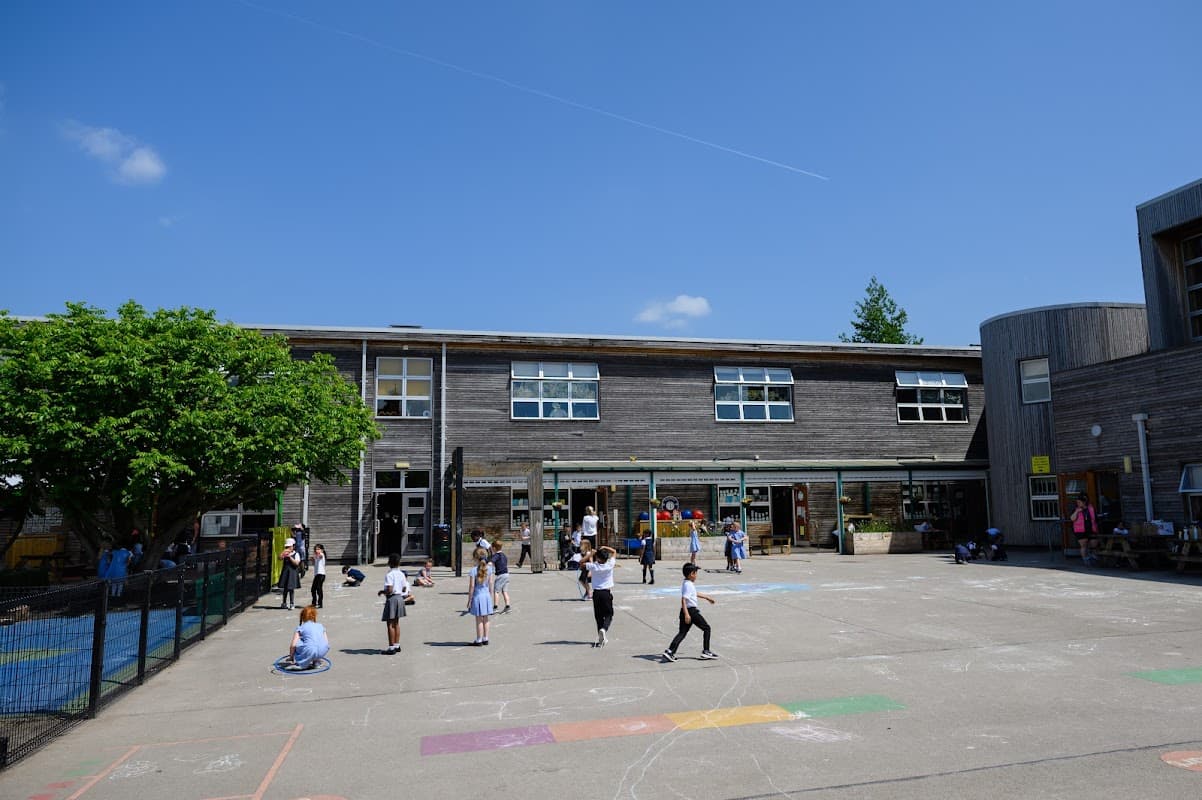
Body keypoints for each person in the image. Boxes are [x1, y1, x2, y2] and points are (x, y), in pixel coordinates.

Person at [662, 563, 718, 662]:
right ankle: (706, 651)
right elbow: (683, 599)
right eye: (695, 573)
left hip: (686, 611)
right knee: (707, 628)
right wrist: (687, 614)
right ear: (691, 574)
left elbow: (693, 593)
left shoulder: (687, 583)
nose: (696, 575)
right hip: (691, 611)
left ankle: (670, 651)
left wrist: (707, 597)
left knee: (682, 633)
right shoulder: (688, 585)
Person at [585, 545, 618, 647]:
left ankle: (601, 637)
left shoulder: (593, 566)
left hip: (596, 594)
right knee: (609, 614)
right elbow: (614, 551)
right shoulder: (609, 565)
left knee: (598, 616)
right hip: (606, 593)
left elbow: (581, 563)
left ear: (598, 558)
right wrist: (605, 547)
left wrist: (591, 554)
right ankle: (604, 629)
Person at [378, 553, 409, 655]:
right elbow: (404, 588)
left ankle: (391, 647)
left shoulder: (389, 574)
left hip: (392, 599)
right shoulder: (401, 574)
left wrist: (383, 592)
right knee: (396, 623)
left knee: (390, 624)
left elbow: (390, 589)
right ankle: (397, 645)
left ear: (389, 562)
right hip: (400, 598)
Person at [467, 550, 494, 646]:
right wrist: (490, 596)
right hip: (486, 596)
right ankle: (485, 638)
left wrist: (469, 600)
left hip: (477, 596)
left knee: (479, 620)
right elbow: (491, 584)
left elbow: (472, 587)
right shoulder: (490, 569)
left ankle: (479, 639)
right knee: (486, 618)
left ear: (475, 558)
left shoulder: (473, 570)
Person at [1071, 495, 1099, 566]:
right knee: (1084, 545)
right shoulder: (1076, 509)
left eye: (1079, 502)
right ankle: (1086, 560)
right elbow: (1072, 519)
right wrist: (1077, 511)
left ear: (1084, 502)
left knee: (1094, 544)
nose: (1078, 503)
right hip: (1080, 530)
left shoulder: (1091, 508)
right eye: (1077, 502)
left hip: (1091, 529)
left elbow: (1095, 518)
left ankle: (1093, 557)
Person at [278, 538, 302, 609]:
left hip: (292, 572)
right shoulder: (285, 553)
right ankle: (284, 603)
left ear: (293, 546)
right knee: (285, 588)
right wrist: (283, 553)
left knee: (291, 588)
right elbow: (279, 558)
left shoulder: (296, 554)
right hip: (285, 572)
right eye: (286, 547)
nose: (287, 548)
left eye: (289, 547)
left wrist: (290, 557)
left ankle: (292, 603)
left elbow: (297, 563)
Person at [491, 540, 511, 613]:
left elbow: (491, 562)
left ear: (494, 548)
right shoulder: (504, 555)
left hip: (500, 575)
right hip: (506, 574)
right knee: (504, 591)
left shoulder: (496, 555)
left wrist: (487, 565)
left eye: (492, 548)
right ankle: (507, 606)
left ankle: (495, 607)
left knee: (496, 591)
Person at [310, 544, 327, 608]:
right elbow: (314, 564)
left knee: (319, 589)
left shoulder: (321, 554)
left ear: (322, 550)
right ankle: (314, 602)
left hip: (321, 574)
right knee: (313, 589)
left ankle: (320, 603)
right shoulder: (316, 556)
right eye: (315, 549)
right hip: (317, 574)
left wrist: (315, 556)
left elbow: (320, 556)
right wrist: (313, 560)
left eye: (318, 549)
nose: (317, 550)